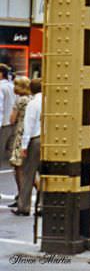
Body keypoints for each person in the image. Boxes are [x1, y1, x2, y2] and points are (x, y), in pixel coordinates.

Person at [13, 79, 42, 217]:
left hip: (35, 139)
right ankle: (42, 204)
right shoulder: (50, 101)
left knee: (28, 174)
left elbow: (28, 126)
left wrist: (24, 146)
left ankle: (24, 206)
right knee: (45, 174)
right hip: (48, 140)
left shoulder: (33, 103)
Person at [7, 77, 31, 209]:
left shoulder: (20, 101)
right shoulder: (31, 99)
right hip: (28, 132)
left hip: (20, 133)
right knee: (26, 168)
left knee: (19, 168)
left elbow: (12, 119)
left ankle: (21, 196)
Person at [0, 65, 15, 168]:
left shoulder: (0, 87)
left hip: (3, 124)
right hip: (13, 123)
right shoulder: (12, 86)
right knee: (11, 153)